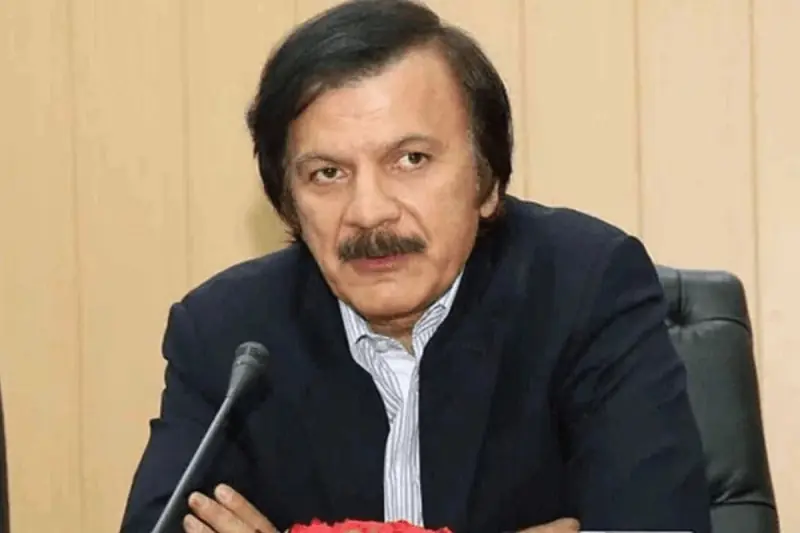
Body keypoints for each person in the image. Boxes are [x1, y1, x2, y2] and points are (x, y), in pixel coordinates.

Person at [119, 1, 712, 532]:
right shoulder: (225, 336)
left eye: (410, 159)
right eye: (327, 173)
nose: (368, 211)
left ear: (486, 182)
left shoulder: (586, 289)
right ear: (289, 203)